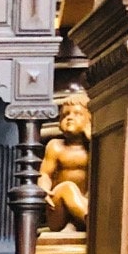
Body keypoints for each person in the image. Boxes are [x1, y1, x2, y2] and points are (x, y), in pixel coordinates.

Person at [39, 89, 90, 233]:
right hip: (58, 209)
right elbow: (45, 174)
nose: (70, 118)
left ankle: (79, 222)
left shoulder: (96, 146)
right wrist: (44, 188)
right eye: (65, 114)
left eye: (77, 114)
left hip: (88, 203)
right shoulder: (55, 146)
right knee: (67, 187)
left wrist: (93, 139)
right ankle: (91, 222)